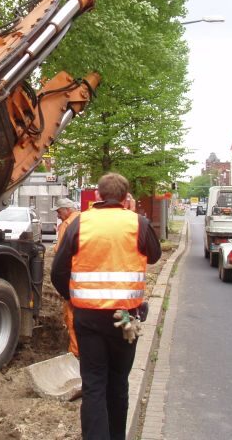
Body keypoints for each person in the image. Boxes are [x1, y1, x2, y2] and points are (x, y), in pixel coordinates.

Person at [51, 173, 161, 440]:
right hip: (125, 318)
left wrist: (74, 298)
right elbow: (155, 255)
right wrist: (135, 216)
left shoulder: (80, 223)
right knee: (118, 383)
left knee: (94, 384)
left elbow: (57, 271)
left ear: (97, 196)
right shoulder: (138, 223)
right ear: (126, 198)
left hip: (88, 317)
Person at [54, 197, 80, 358]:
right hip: (88, 278)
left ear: (67, 210)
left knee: (71, 314)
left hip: (73, 277)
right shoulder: (86, 220)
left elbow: (60, 253)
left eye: (59, 211)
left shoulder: (67, 225)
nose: (58, 215)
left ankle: (75, 351)